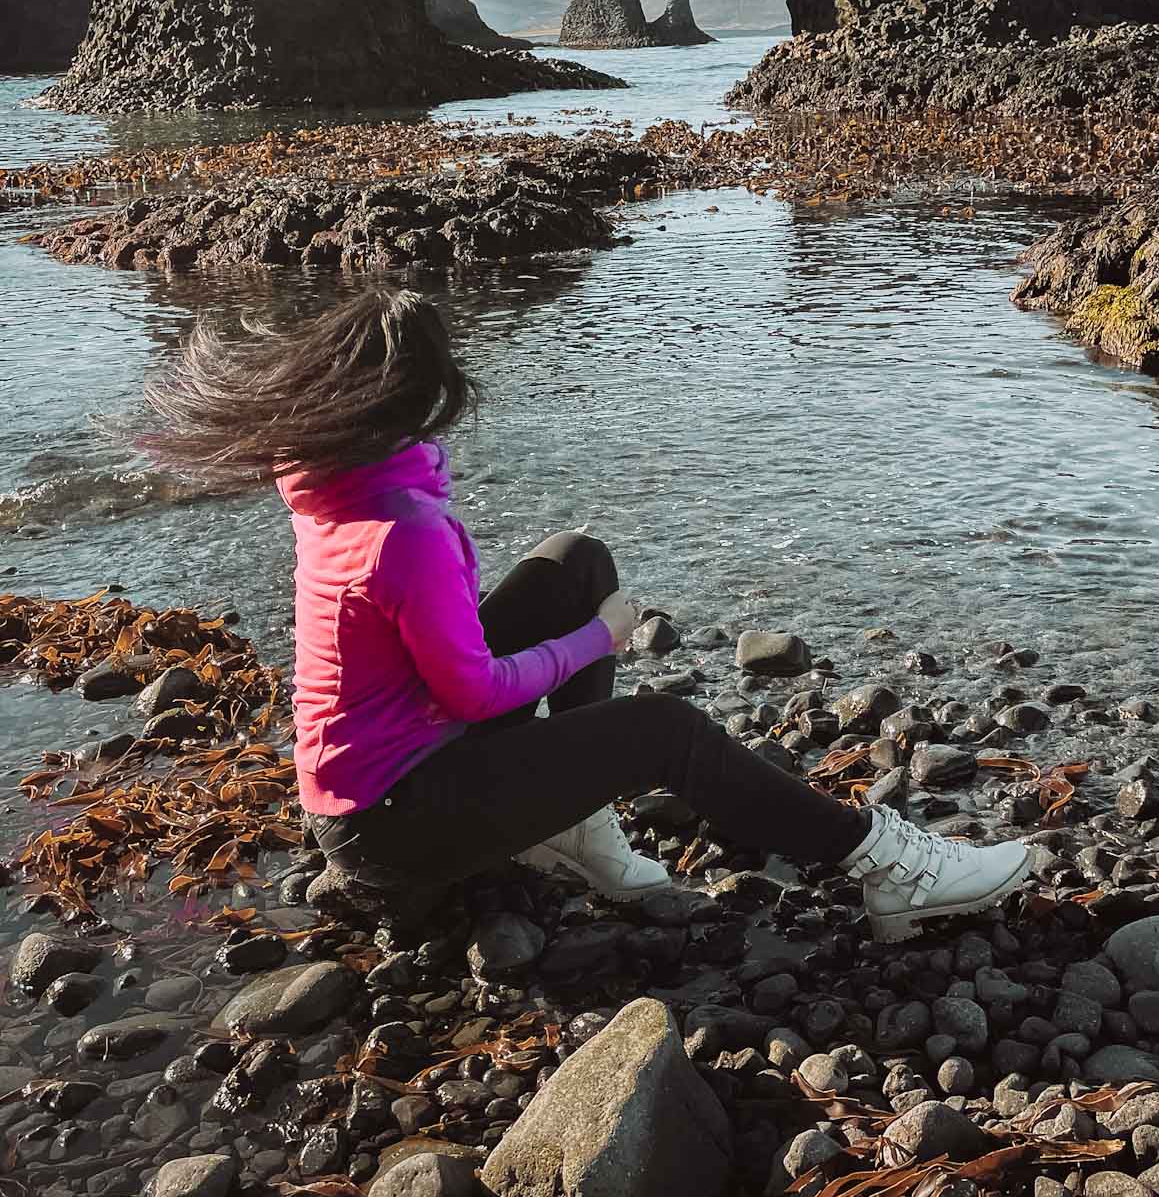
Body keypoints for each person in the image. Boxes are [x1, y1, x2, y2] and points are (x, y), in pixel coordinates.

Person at [140, 285, 1036, 942]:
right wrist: (596, 642)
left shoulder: (326, 482)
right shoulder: (400, 529)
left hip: (385, 779)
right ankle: (887, 868)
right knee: (663, 728)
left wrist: (577, 629)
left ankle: (571, 820)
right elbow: (474, 694)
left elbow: (440, 674)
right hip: (397, 825)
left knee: (576, 559)